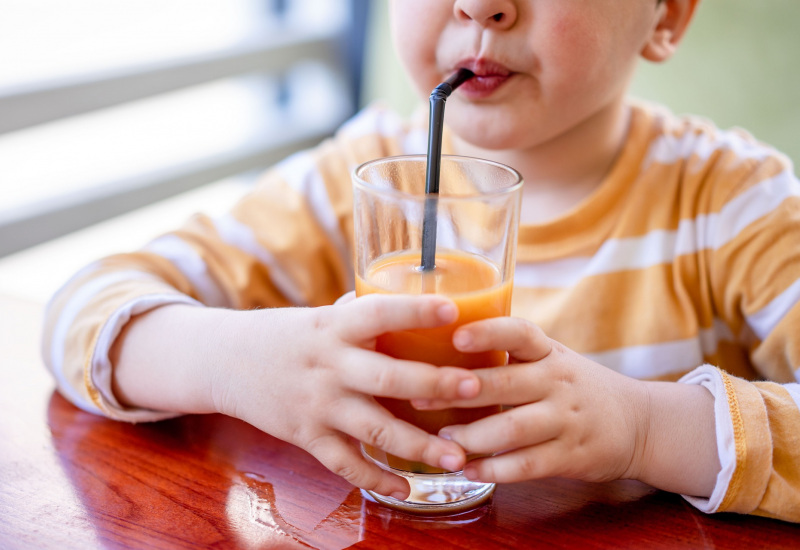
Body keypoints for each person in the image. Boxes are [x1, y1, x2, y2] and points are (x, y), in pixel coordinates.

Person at [42, 0, 800, 522]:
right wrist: (239, 363)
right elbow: (82, 307)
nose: (481, 4)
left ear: (665, 14)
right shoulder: (353, 181)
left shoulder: (732, 206)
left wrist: (646, 430)